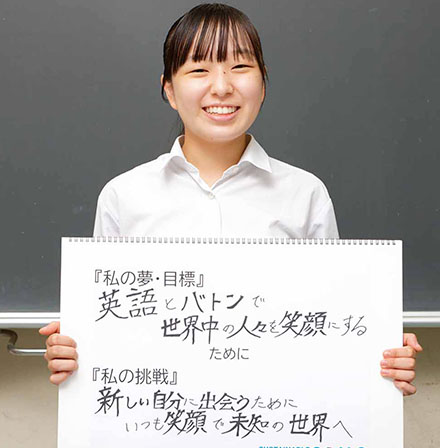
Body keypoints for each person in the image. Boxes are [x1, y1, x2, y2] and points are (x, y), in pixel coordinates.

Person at [39, 3, 422, 395]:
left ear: (263, 84)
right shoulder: (124, 196)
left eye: (239, 67)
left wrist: (380, 353)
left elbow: (332, 321)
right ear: (169, 90)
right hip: (164, 415)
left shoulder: (305, 194)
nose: (221, 87)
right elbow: (110, 327)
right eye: (199, 70)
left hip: (270, 414)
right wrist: (77, 352)